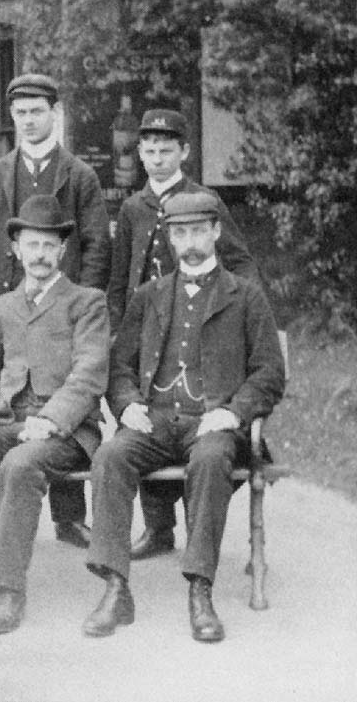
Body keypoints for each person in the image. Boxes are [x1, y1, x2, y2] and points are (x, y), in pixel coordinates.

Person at [83, 192, 284, 642]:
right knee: (111, 456)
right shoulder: (148, 296)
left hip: (209, 424)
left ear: (215, 232)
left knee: (212, 460)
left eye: (197, 230)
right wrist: (127, 403)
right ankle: (116, 587)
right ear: (170, 238)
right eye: (180, 233)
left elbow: (270, 371)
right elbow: (120, 366)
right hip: (154, 420)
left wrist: (234, 412)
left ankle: (200, 590)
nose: (189, 241)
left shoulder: (245, 296)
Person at [0, 195, 109, 634]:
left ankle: (9, 588)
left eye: (50, 246)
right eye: (32, 245)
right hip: (9, 422)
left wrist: (50, 420)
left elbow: (89, 373)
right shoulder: (4, 306)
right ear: (16, 249)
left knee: (20, 464)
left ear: (63, 251)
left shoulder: (86, 302)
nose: (41, 255)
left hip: (65, 432)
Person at [107, 109, 260, 561]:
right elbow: (120, 278)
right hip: (147, 326)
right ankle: (158, 528)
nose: (157, 159)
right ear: (139, 153)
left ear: (184, 152)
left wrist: (243, 308)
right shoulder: (134, 207)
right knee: (143, 414)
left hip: (196, 320)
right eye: (149, 151)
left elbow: (241, 260)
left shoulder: (203, 202)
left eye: (166, 151)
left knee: (191, 420)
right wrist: (120, 330)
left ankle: (197, 535)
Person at [0, 73, 111, 549]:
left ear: (55, 114)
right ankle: (6, 515)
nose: (29, 121)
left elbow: (95, 244)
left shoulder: (78, 174)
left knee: (56, 394)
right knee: (10, 402)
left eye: (37, 111)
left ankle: (69, 518)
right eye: (20, 113)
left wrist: (83, 303)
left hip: (62, 303)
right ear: (11, 118)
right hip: (9, 303)